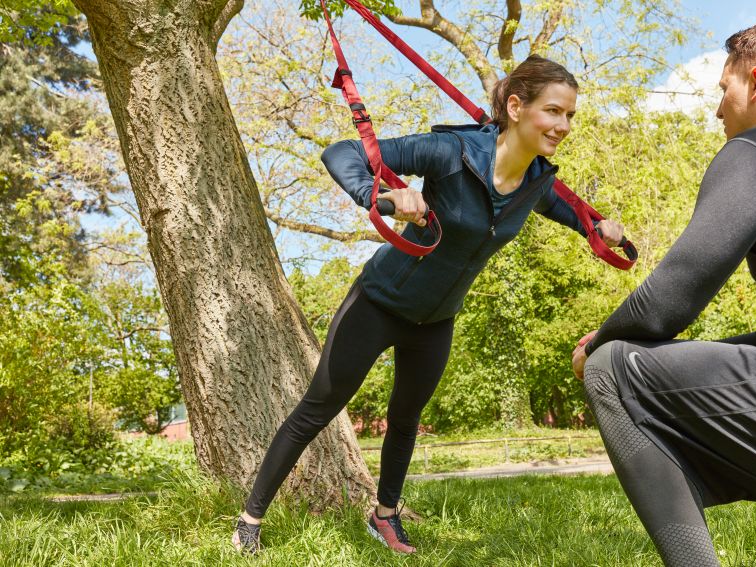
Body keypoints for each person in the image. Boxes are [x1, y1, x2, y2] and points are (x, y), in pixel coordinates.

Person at [230, 54, 625, 555]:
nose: (563, 125)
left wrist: (597, 225)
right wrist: (385, 199)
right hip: (377, 303)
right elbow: (343, 153)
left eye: (570, 115)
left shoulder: (538, 181)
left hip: (435, 321)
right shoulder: (451, 151)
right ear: (517, 106)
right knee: (318, 408)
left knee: (405, 419)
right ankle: (249, 519)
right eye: (554, 111)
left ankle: (386, 515)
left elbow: (561, 206)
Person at [571, 17, 756, 567]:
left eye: (724, 90)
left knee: (612, 367)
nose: (718, 109)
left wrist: (596, 342)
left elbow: (670, 299)